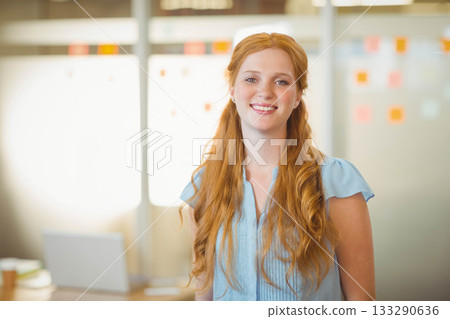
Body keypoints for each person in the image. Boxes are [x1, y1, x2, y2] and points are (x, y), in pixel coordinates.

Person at [179, 32, 375, 301]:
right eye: (251, 79)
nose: (265, 92)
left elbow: (362, 304)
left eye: (281, 81)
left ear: (296, 97)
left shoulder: (335, 181)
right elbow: (205, 300)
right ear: (233, 90)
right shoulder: (205, 185)